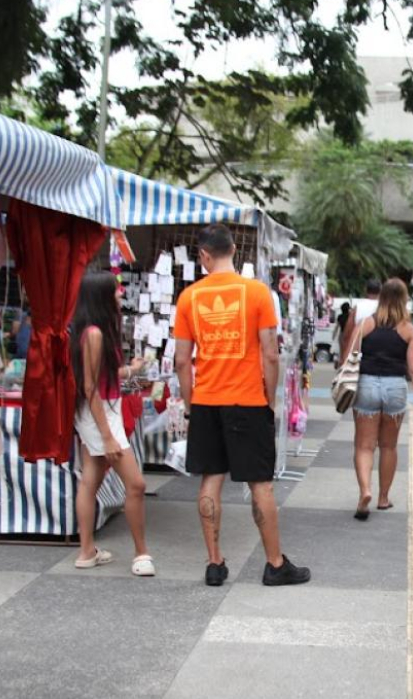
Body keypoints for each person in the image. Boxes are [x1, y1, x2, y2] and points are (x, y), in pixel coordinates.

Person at [174, 223, 310, 587]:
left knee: (210, 480)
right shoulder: (257, 294)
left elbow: (182, 361)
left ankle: (215, 563)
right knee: (260, 484)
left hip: (206, 401)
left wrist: (191, 405)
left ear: (203, 255)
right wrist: (268, 399)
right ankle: (275, 563)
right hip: (247, 400)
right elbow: (270, 354)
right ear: (234, 250)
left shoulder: (189, 298)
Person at [68, 273, 152, 575]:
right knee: (136, 484)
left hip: (99, 412)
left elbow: (102, 378)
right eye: (115, 292)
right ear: (102, 297)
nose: (120, 296)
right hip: (100, 414)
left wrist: (130, 371)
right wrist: (107, 436)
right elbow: (92, 387)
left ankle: (87, 550)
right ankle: (141, 553)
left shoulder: (94, 331)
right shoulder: (95, 334)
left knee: (90, 481)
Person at [349, 278, 413, 519]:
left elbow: (349, 359)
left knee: (364, 446)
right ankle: (383, 498)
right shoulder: (408, 330)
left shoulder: (365, 325)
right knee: (389, 446)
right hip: (395, 387)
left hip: (367, 384)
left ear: (381, 297)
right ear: (404, 300)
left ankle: (365, 490)